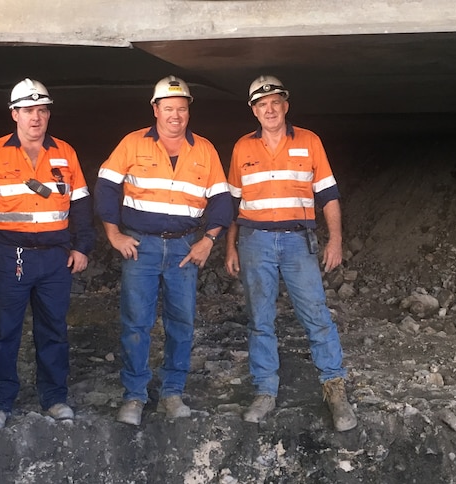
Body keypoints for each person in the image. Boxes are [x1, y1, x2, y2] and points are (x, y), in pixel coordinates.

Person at [0, 78, 95, 429]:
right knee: (4, 332)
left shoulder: (65, 152)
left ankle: (55, 397)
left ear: (48, 114)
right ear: (14, 114)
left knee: (54, 330)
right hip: (8, 255)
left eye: (42, 111)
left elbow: (80, 204)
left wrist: (82, 246)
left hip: (54, 257)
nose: (36, 118)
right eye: (28, 111)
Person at [95, 75, 231, 426]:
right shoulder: (132, 143)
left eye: (181, 109)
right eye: (168, 108)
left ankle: (172, 392)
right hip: (142, 246)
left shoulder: (205, 149)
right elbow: (106, 188)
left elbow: (221, 200)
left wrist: (208, 240)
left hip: (185, 247)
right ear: (155, 109)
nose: (175, 116)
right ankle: (135, 396)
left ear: (189, 112)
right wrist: (113, 234)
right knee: (136, 323)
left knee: (181, 323)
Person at [224, 75, 357, 432]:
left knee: (316, 313)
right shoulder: (242, 148)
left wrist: (335, 240)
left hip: (298, 241)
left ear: (285, 105)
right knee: (260, 319)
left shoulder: (310, 142)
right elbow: (234, 202)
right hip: (255, 241)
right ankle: (265, 391)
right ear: (254, 110)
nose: (269, 109)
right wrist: (230, 246)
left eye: (275, 102)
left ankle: (334, 388)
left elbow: (328, 195)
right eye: (261, 104)